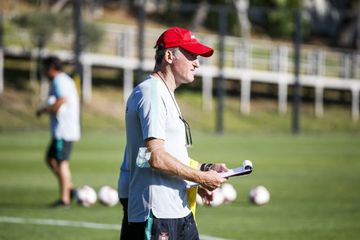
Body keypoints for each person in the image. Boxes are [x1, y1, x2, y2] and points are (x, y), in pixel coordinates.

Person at [117, 26, 228, 240]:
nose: (197, 62)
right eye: (191, 55)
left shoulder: (162, 93)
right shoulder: (152, 93)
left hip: (178, 210)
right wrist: (200, 177)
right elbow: (156, 158)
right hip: (157, 213)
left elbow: (145, 155)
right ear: (169, 55)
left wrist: (201, 173)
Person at [36, 56, 80, 208]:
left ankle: (65, 199)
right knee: (51, 159)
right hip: (63, 129)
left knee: (62, 163)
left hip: (64, 129)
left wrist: (45, 109)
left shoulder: (59, 81)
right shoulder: (64, 80)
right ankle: (70, 189)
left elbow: (61, 100)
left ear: (50, 68)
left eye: (44, 68)